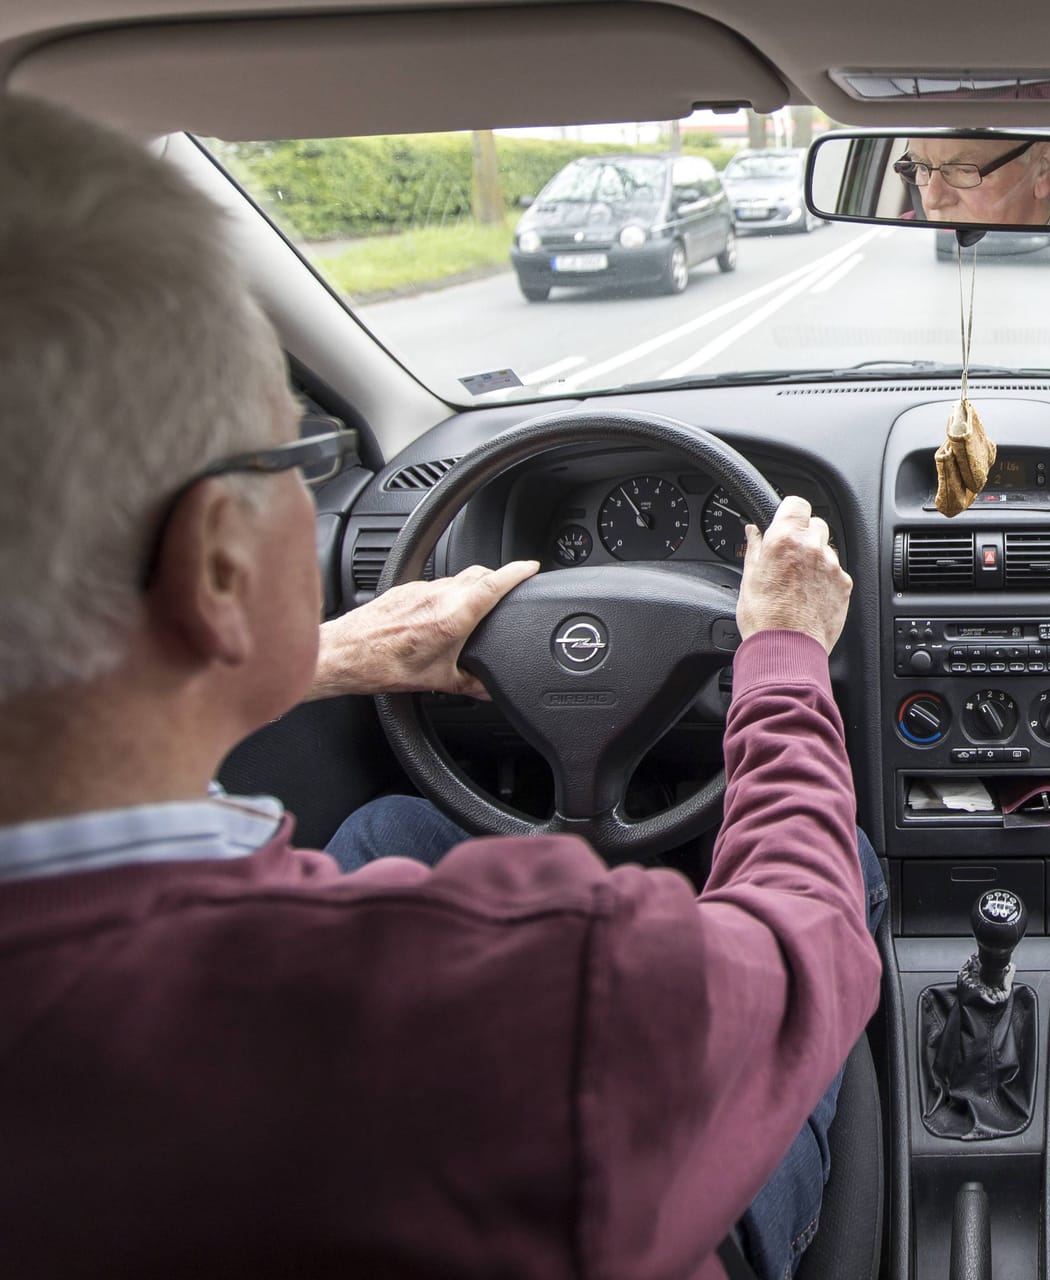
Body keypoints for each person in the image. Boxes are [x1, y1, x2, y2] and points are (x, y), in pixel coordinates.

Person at [0, 93, 878, 1280]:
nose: (316, 487)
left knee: (395, 827)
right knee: (850, 870)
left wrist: (333, 652)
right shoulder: (528, 998)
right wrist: (779, 652)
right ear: (215, 558)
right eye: (299, 459)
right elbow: (801, 943)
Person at [894, 136, 1050, 227]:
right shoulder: (902, 238)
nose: (933, 200)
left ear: (1044, 168)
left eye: (964, 170)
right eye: (921, 167)